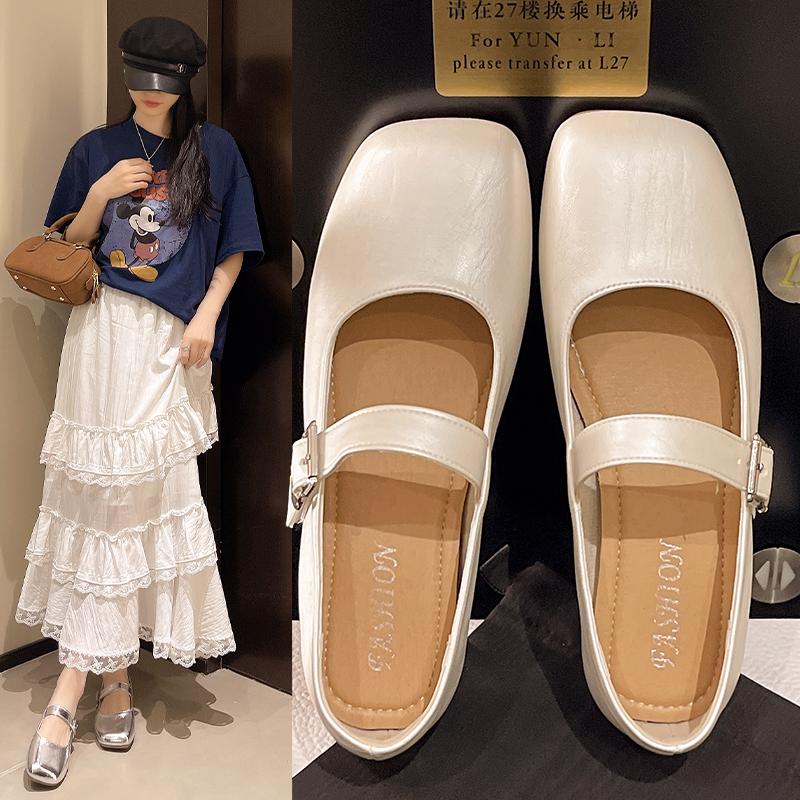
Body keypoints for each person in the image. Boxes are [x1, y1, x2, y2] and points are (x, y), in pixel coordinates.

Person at [15, 16, 264, 786]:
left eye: (164, 86)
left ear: (185, 83)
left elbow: (234, 250)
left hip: (166, 345)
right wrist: (98, 193)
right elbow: (67, 246)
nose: (150, 97)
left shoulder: (213, 150)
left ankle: (70, 698)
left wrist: (206, 317)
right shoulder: (95, 148)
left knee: (133, 504)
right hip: (98, 340)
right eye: (139, 83)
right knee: (100, 503)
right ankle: (112, 678)